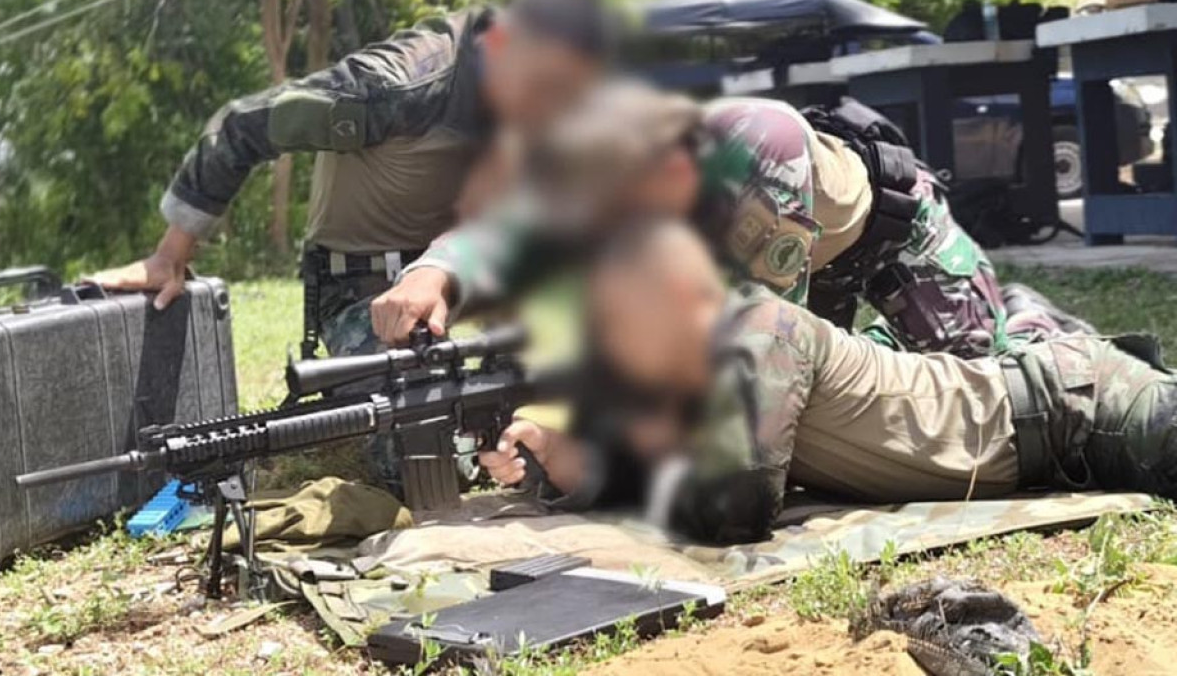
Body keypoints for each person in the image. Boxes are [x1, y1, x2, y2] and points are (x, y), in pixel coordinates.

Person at [93, 0, 614, 494]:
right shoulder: (390, 87)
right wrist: (170, 254)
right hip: (365, 288)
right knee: (424, 458)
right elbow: (242, 126)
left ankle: (520, 424)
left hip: (470, 271)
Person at [480, 220, 1177, 544]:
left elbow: (738, 505)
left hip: (1071, 407)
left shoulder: (757, 329)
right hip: (1041, 431)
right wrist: (571, 464)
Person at [374, 83, 1075, 358]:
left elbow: (771, 347)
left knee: (978, 383)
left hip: (892, 234)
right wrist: (435, 271)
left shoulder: (755, 148)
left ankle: (1030, 318)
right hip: (776, 265)